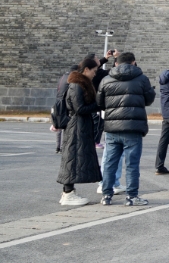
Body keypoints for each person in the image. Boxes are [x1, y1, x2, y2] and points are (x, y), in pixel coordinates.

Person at [96, 52, 155, 206]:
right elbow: (149, 99)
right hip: (133, 127)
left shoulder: (106, 79)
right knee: (132, 164)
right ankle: (131, 196)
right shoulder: (142, 79)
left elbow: (100, 102)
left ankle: (106, 195)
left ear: (116, 63)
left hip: (112, 127)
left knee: (110, 163)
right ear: (133, 62)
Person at [58, 57, 102, 206]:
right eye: (94, 71)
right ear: (86, 70)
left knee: (73, 158)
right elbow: (79, 108)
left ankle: (68, 192)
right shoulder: (77, 84)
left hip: (80, 125)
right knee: (72, 158)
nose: (95, 74)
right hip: (77, 126)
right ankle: (68, 194)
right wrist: (98, 105)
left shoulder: (80, 83)